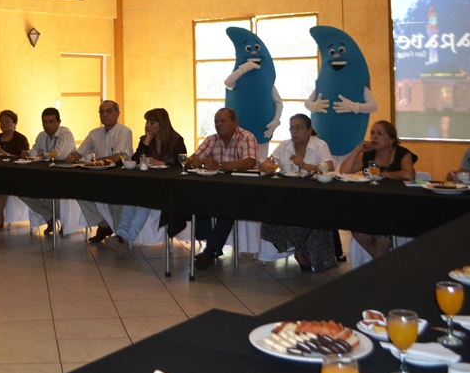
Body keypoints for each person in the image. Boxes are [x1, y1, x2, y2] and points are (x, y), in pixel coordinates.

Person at [258, 114, 338, 272]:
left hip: (314, 196)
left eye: (299, 128)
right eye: (291, 128)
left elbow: (329, 166)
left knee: (309, 212)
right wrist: (266, 166)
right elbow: (265, 163)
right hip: (288, 195)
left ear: (309, 130)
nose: (294, 131)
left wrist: (305, 165)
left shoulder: (319, 145)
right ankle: (299, 249)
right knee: (274, 211)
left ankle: (303, 250)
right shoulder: (284, 145)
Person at [185, 107, 258, 269]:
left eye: (223, 121)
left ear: (235, 122)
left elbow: (249, 162)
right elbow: (192, 158)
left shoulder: (246, 137)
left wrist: (221, 165)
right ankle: (211, 244)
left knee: (229, 207)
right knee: (196, 199)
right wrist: (192, 161)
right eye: (216, 122)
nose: (219, 124)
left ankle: (210, 251)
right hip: (216, 189)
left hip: (242, 189)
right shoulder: (212, 140)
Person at [110, 108, 186, 258]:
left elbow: (180, 166)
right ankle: (122, 237)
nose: (148, 126)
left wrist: (159, 163)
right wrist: (146, 141)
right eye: (147, 122)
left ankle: (125, 239)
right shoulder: (146, 140)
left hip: (167, 187)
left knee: (143, 202)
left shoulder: (176, 140)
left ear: (162, 124)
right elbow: (135, 160)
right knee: (130, 200)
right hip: (147, 184)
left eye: (152, 123)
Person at [341, 120, 417, 258]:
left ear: (391, 139)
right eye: (372, 133)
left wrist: (382, 174)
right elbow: (344, 172)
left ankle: (379, 262)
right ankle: (381, 261)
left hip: (395, 204)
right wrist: (358, 149)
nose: (374, 137)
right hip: (371, 202)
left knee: (385, 229)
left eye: (380, 133)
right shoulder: (368, 154)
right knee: (354, 225)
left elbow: (409, 174)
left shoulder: (402, 153)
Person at [65, 100, 134, 243]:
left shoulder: (125, 132)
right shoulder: (94, 133)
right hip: (98, 176)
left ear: (118, 113)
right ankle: (104, 224)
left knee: (116, 198)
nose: (104, 115)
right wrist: (71, 157)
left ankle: (120, 236)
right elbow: (79, 152)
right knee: (79, 191)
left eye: (109, 111)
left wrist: (96, 161)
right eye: (101, 112)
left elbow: (117, 157)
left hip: (119, 177)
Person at [21, 108, 76, 235]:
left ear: (59, 122)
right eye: (45, 122)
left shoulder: (65, 133)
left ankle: (63, 221)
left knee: (47, 190)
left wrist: (43, 155)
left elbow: (59, 154)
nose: (48, 126)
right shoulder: (41, 135)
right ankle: (49, 217)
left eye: (51, 122)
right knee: (22, 189)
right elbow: (34, 153)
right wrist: (27, 153)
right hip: (45, 175)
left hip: (65, 175)